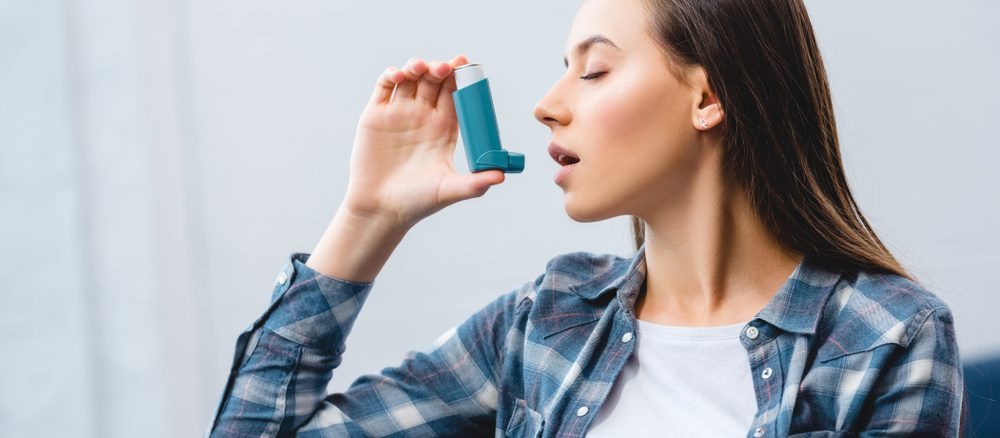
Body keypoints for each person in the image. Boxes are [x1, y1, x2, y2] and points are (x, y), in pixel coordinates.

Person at [206, 0, 968, 436]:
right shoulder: (543, 325)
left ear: (708, 98)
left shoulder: (886, 339)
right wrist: (368, 216)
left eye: (593, 68)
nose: (548, 102)